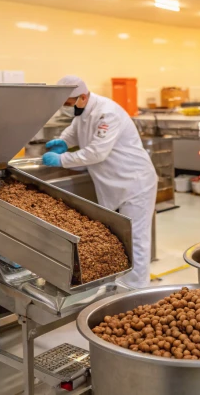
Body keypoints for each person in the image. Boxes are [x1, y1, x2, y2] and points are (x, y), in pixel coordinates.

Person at [43, 75, 158, 289]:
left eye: (68, 104)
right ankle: (118, 283)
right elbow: (74, 131)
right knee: (116, 238)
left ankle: (137, 289)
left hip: (134, 182)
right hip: (111, 182)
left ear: (83, 97)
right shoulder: (82, 112)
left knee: (136, 239)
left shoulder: (108, 113)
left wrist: (62, 159)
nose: (67, 108)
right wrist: (63, 142)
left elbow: (97, 153)